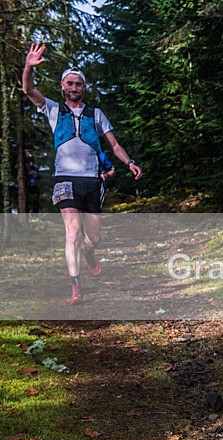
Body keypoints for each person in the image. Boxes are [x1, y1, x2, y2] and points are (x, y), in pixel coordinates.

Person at [22, 43, 142, 305]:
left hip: (92, 181)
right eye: (70, 83)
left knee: (93, 237)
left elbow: (115, 145)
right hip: (64, 179)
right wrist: (29, 66)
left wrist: (129, 162)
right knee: (72, 233)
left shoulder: (96, 114)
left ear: (83, 87)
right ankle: (76, 285)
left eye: (78, 84)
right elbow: (28, 90)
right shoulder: (54, 109)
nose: (74, 88)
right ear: (62, 86)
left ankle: (89, 254)